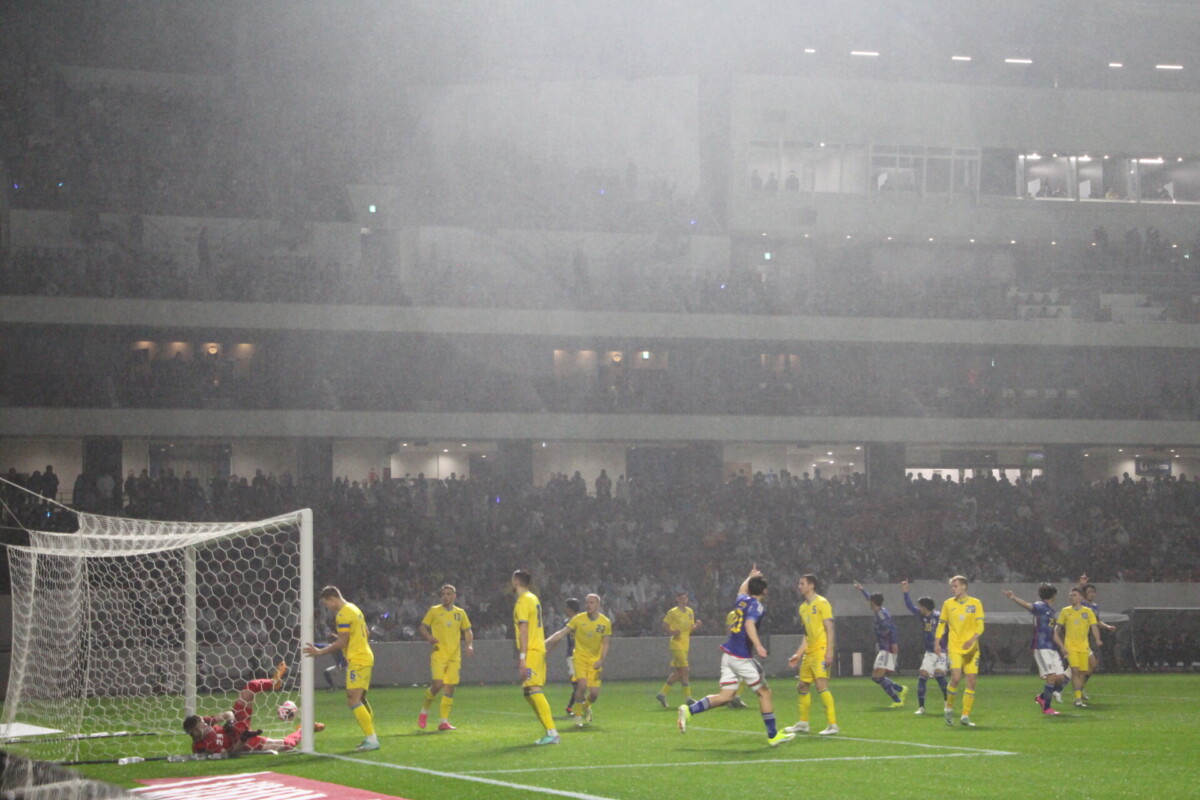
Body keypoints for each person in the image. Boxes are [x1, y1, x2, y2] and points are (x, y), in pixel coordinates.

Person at [677, 565, 794, 747]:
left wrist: (750, 576)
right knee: (764, 693)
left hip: (728, 655)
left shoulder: (741, 600)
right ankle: (773, 736)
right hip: (741, 657)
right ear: (765, 591)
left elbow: (741, 589)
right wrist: (758, 645)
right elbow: (749, 624)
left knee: (726, 696)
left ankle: (688, 710)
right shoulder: (757, 606)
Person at [183, 663, 325, 755]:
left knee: (250, 688)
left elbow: (227, 714)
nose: (205, 724)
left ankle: (273, 682)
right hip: (243, 742)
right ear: (194, 732)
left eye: (203, 721)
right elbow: (232, 753)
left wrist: (230, 721)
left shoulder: (205, 722)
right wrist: (243, 739)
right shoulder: (202, 748)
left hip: (237, 725)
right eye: (201, 725)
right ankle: (303, 730)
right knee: (288, 745)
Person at [302, 586, 379, 751]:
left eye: (326, 604)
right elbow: (366, 633)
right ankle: (371, 736)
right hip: (364, 656)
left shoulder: (343, 614)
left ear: (332, 599)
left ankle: (372, 739)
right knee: (360, 698)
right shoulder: (354, 608)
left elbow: (342, 643)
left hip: (358, 659)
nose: (328, 607)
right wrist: (348, 640)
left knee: (353, 699)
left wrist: (320, 651)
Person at [546, 593, 612, 727]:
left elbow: (606, 643)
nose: (588, 605)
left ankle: (586, 706)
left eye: (592, 602)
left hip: (595, 660)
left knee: (594, 694)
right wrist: (544, 642)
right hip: (579, 657)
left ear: (598, 605)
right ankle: (577, 717)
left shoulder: (605, 622)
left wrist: (601, 660)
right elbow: (561, 633)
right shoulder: (578, 619)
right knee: (581, 685)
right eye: (587, 602)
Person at [786, 573, 838, 735]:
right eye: (799, 584)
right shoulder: (802, 608)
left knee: (821, 685)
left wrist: (829, 651)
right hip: (809, 652)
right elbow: (807, 635)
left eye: (802, 583)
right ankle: (803, 723)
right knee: (802, 686)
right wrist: (798, 654)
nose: (799, 586)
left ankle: (832, 725)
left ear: (811, 585)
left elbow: (830, 628)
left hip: (821, 650)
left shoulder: (822, 603)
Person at [512, 569, 559, 745]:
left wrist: (522, 657)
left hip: (531, 650)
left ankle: (552, 733)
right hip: (536, 648)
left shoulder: (523, 601)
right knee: (528, 692)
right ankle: (549, 731)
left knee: (533, 688)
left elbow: (524, 630)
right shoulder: (533, 598)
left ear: (516, 581)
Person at [417, 584, 474, 731]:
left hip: (454, 655)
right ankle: (424, 711)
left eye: (449, 594)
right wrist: (429, 637)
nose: (445, 597)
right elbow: (422, 627)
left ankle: (443, 721)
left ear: (454, 596)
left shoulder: (460, 613)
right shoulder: (434, 611)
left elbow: (468, 630)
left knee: (450, 686)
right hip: (439, 653)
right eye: (443, 594)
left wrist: (469, 645)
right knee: (438, 685)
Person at [1003, 585, 1065, 716]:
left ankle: (1042, 697)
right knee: (1051, 678)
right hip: (1041, 647)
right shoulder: (1041, 606)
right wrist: (1014, 598)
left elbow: (1053, 632)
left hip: (1051, 647)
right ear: (1054, 595)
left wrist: (1062, 647)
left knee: (1060, 678)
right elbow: (1028, 606)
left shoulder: (1051, 611)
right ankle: (1047, 708)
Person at [935, 575, 985, 727]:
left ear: (964, 586)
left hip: (972, 649)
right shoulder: (948, 604)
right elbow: (941, 624)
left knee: (971, 682)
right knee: (956, 678)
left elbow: (980, 626)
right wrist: (937, 642)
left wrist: (972, 640)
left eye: (955, 586)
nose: (953, 589)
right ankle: (949, 708)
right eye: (952, 586)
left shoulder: (976, 603)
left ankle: (965, 716)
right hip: (955, 647)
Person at [854, 581, 906, 707]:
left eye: (870, 601)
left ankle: (897, 700)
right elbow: (869, 597)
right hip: (883, 648)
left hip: (887, 648)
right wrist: (862, 589)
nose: (869, 602)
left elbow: (892, 628)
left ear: (873, 602)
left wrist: (893, 643)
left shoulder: (881, 614)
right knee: (876, 677)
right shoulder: (880, 610)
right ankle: (900, 689)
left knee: (877, 677)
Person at [901, 579, 948, 715]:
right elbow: (909, 606)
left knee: (939, 676)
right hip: (929, 652)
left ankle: (948, 703)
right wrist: (905, 591)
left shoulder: (939, 617)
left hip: (941, 652)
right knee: (922, 676)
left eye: (920, 606)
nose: (919, 608)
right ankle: (921, 707)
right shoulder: (923, 617)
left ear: (925, 607)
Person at [1055, 587, 1103, 708]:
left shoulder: (1088, 611)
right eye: (1071, 595)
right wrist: (1055, 638)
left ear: (1081, 597)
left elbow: (1094, 626)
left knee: (1082, 672)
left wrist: (1097, 639)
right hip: (1070, 646)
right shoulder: (1065, 611)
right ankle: (1077, 699)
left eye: (1075, 595)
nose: (1072, 597)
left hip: (1084, 646)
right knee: (1075, 670)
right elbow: (1058, 627)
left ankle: (1076, 696)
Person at [1076, 575, 1117, 700]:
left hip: (1091, 636)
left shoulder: (1095, 606)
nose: (1092, 594)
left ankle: (1079, 688)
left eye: (1093, 592)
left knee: (1092, 665)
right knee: (1083, 665)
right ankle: (1068, 689)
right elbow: (1075, 595)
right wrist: (1081, 584)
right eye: (1089, 592)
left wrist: (1107, 626)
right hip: (1081, 636)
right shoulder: (1082, 604)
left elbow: (1096, 621)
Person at [657, 591, 701, 708]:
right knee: (685, 669)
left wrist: (697, 626)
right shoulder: (673, 612)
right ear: (677, 599)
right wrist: (672, 632)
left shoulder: (690, 612)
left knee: (679, 672)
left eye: (685, 598)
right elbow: (664, 625)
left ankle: (662, 694)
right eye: (681, 598)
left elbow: (690, 629)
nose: (683, 601)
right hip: (676, 643)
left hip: (685, 643)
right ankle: (688, 698)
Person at [562, 597, 582, 716]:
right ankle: (573, 707)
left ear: (570, 609)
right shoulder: (570, 621)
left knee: (579, 684)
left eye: (566, 607)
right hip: (572, 655)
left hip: (579, 655)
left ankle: (572, 707)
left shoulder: (577, 621)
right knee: (576, 684)